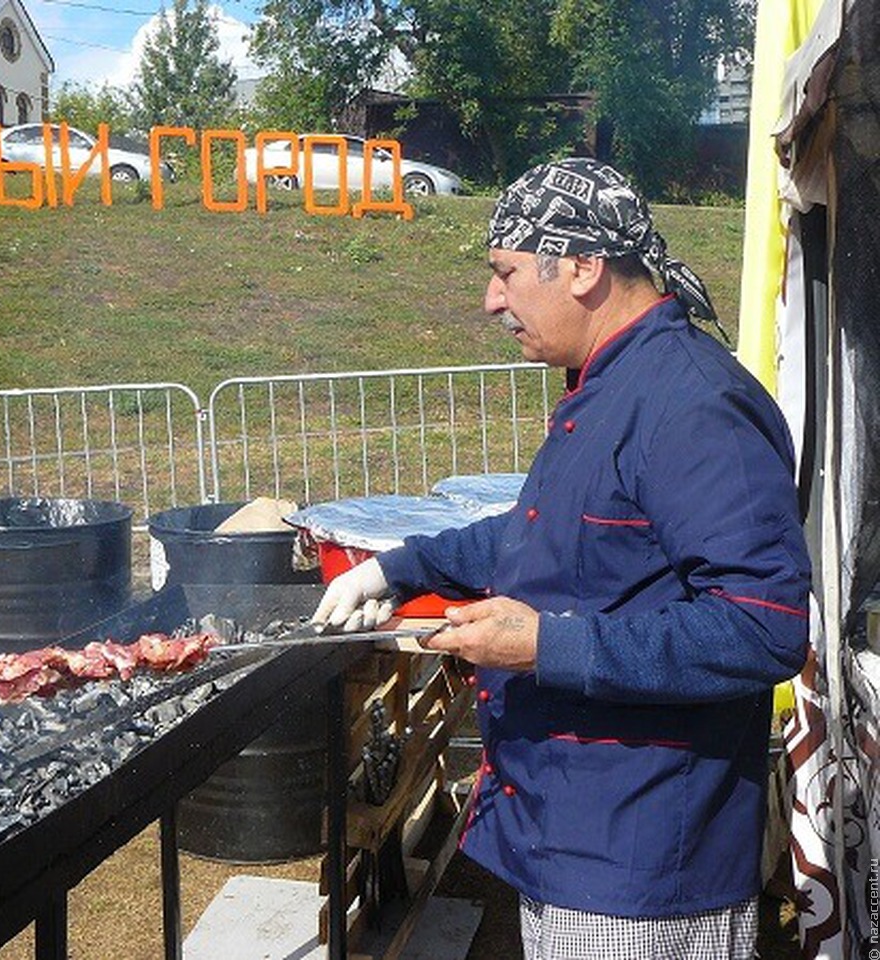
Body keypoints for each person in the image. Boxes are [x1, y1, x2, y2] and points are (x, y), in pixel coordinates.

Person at [313, 157, 811, 960]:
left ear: (582, 267)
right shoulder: (607, 384)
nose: (491, 300)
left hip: (642, 864)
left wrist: (546, 643)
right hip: (572, 831)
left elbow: (764, 629)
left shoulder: (692, 404)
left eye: (505, 273)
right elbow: (544, 531)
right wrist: (399, 567)